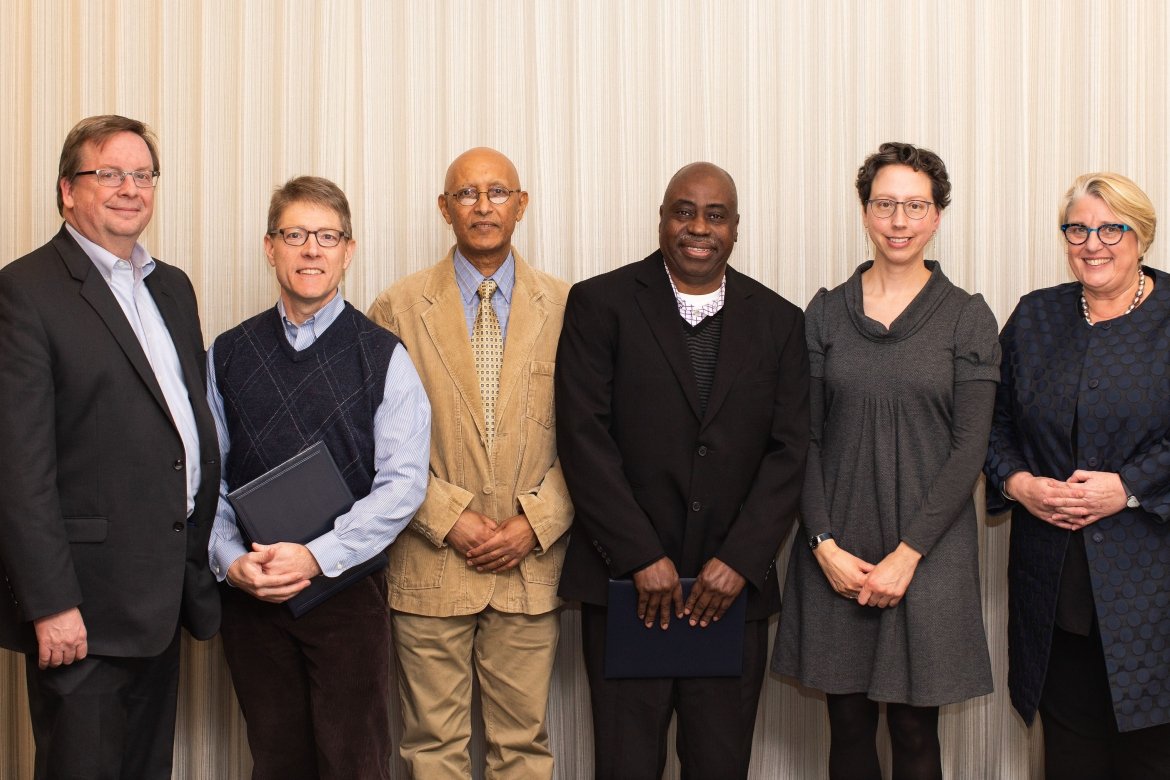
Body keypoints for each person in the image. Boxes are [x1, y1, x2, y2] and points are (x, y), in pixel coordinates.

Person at [555, 161, 809, 778]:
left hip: (730, 600)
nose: (699, 227)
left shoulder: (780, 321)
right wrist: (640, 555)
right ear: (663, 219)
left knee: (720, 766)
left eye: (715, 215)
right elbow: (583, 438)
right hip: (625, 590)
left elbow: (791, 451)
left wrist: (742, 562)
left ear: (737, 228)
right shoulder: (600, 304)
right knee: (626, 766)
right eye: (684, 211)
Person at [0, 115, 221, 778]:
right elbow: (19, 468)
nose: (131, 188)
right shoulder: (26, 292)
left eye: (143, 174)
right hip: (83, 611)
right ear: (68, 191)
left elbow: (176, 429)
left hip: (160, 596)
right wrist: (51, 604)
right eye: (110, 173)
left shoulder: (171, 287)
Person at [773, 142, 999, 780]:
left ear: (937, 215)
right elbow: (804, 440)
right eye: (885, 205)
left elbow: (969, 448)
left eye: (915, 206)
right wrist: (822, 546)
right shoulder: (823, 313)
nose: (900, 221)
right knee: (845, 726)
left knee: (913, 728)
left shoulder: (967, 318)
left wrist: (908, 554)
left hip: (928, 552)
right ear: (865, 211)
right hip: (837, 549)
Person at [207, 176, 430, 779]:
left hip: (345, 597)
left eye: (326, 236)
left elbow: (404, 483)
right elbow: (209, 479)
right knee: (276, 762)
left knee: (353, 763)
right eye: (296, 234)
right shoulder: (226, 353)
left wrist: (316, 557)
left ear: (348, 251)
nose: (311, 249)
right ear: (270, 246)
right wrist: (231, 561)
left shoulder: (382, 354)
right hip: (253, 593)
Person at [366, 148, 572, 779]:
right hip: (430, 563)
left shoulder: (570, 307)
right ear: (444, 208)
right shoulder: (396, 309)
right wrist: (447, 518)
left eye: (497, 192)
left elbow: (596, 440)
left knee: (523, 746)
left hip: (529, 567)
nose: (483, 207)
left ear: (522, 204)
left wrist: (535, 523)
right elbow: (371, 440)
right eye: (466, 194)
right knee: (432, 747)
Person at [984, 172, 1170, 779]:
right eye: (1078, 228)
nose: (1094, 243)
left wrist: (1131, 486)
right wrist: (1018, 483)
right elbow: (991, 422)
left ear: (1141, 235)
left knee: (1150, 754)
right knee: (1069, 756)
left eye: (1111, 228)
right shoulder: (1036, 317)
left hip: (1152, 589)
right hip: (1055, 584)